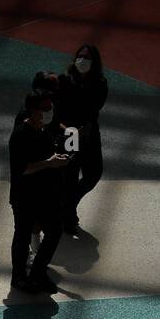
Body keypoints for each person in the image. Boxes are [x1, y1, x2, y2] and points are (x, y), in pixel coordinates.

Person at [9, 93, 71, 293]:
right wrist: (50, 163)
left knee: (54, 230)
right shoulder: (20, 135)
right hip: (25, 197)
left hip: (46, 195)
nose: (49, 112)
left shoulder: (43, 132)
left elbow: (47, 159)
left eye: (50, 107)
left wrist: (56, 159)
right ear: (32, 110)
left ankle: (37, 273)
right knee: (22, 236)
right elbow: (22, 168)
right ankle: (18, 277)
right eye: (44, 108)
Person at [58, 44, 108, 234]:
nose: (82, 60)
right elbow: (59, 107)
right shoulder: (64, 80)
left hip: (89, 134)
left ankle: (69, 205)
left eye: (87, 57)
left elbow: (94, 108)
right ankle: (68, 216)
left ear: (94, 62)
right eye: (80, 56)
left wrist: (85, 128)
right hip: (69, 133)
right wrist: (67, 129)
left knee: (94, 173)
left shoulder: (100, 83)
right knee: (70, 176)